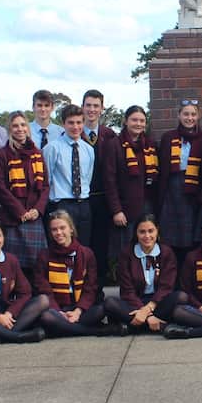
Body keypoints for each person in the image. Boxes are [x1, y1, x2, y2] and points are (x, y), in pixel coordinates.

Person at [103, 215, 182, 333]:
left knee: (181, 297)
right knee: (110, 303)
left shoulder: (166, 253)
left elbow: (166, 287)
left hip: (158, 303)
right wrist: (147, 314)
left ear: (157, 231)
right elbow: (127, 291)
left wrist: (147, 309)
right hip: (134, 302)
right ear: (136, 233)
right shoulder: (126, 254)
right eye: (142, 232)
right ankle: (158, 325)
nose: (147, 236)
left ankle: (133, 327)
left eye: (151, 231)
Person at [0, 111, 49, 275]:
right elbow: (0, 187)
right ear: (9, 129)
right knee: (13, 266)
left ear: (28, 127)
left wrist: (37, 210)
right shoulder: (2, 154)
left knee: (37, 265)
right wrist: (20, 212)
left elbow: (45, 186)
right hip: (13, 218)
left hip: (34, 218)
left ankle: (36, 299)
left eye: (23, 125)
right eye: (15, 125)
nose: (20, 129)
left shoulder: (37, 153)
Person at [35, 211, 107, 337]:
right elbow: (44, 289)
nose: (58, 233)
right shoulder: (44, 255)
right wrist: (59, 313)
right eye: (54, 229)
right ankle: (94, 331)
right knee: (46, 316)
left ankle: (63, 329)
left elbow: (91, 287)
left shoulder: (86, 253)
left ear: (71, 229)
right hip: (57, 308)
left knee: (102, 309)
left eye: (62, 228)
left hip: (80, 308)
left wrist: (78, 311)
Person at [104, 105, 159, 257]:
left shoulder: (150, 145)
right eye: (134, 120)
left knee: (147, 246)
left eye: (142, 120)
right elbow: (109, 181)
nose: (138, 124)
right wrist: (116, 210)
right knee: (125, 250)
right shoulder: (114, 145)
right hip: (125, 208)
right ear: (125, 121)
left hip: (147, 205)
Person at [156, 100, 202, 263]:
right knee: (171, 238)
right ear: (179, 115)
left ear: (198, 116)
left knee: (191, 237)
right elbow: (162, 168)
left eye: (193, 114)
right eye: (186, 114)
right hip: (173, 190)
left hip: (195, 190)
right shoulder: (168, 137)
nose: (189, 118)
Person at [44, 104, 95, 240]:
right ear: (63, 124)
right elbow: (46, 179)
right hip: (61, 204)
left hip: (83, 204)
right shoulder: (52, 148)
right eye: (71, 123)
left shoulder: (88, 149)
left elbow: (87, 178)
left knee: (83, 245)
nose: (75, 127)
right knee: (62, 245)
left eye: (79, 122)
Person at [81, 89, 116, 285]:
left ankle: (99, 293)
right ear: (82, 107)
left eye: (96, 106)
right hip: (82, 200)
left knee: (101, 249)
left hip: (103, 199)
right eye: (88, 105)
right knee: (82, 248)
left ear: (102, 109)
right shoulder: (73, 134)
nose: (92, 109)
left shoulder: (110, 136)